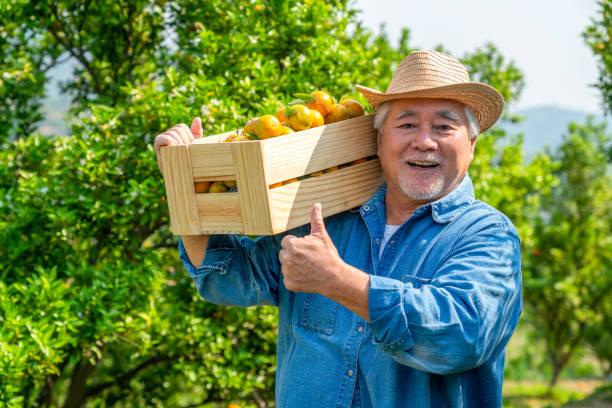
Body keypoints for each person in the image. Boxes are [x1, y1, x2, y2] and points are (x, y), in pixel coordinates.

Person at [154, 50, 522, 408]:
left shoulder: (487, 235)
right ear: (379, 140)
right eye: (407, 124)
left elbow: (461, 336)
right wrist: (188, 183)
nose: (424, 141)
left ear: (471, 145)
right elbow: (228, 277)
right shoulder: (326, 215)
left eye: (444, 126)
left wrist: (337, 280)